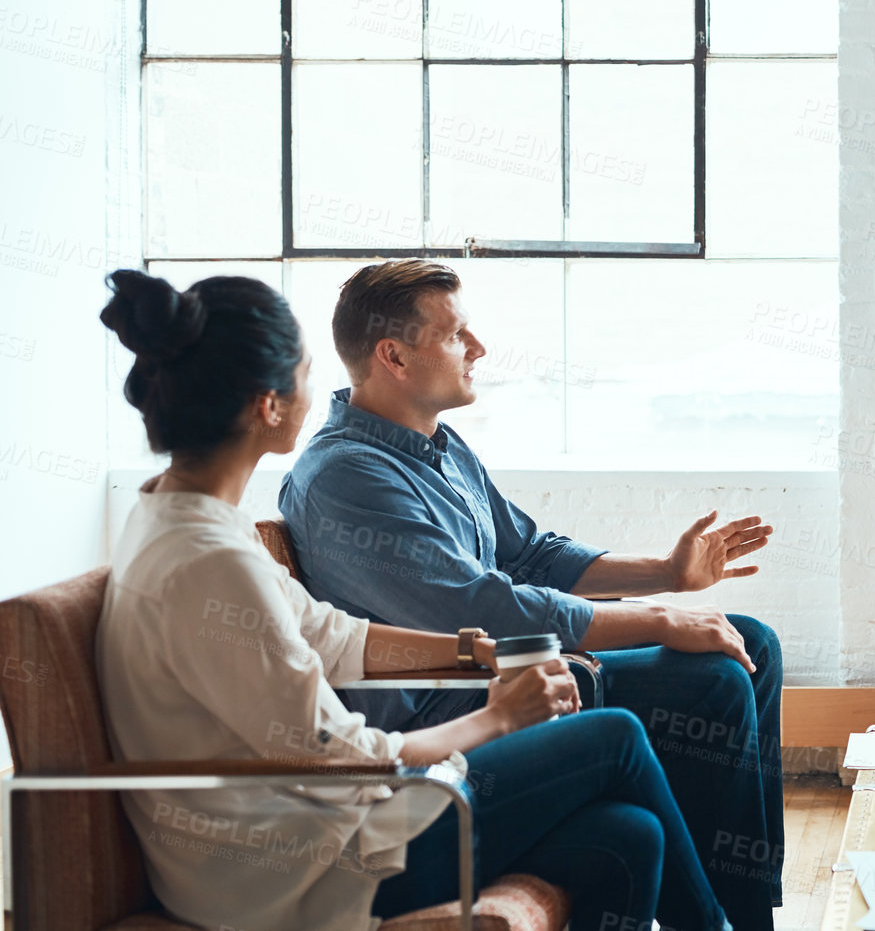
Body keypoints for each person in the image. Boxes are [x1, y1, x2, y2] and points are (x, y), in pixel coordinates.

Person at [95, 269, 730, 931]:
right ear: (268, 404)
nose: (320, 393)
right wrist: (497, 718)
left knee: (627, 837)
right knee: (616, 738)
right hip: (297, 873)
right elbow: (334, 753)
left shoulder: (182, 518)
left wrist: (472, 651)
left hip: (320, 833)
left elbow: (329, 634)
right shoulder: (213, 560)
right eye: (308, 374)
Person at [277, 259, 784, 931]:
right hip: (449, 705)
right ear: (393, 355)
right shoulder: (347, 478)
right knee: (716, 681)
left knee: (753, 642)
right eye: (457, 336)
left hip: (497, 672)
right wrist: (660, 619)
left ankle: (753, 908)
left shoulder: (440, 447)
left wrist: (666, 571)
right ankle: (733, 920)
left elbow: (530, 553)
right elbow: (489, 610)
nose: (479, 350)